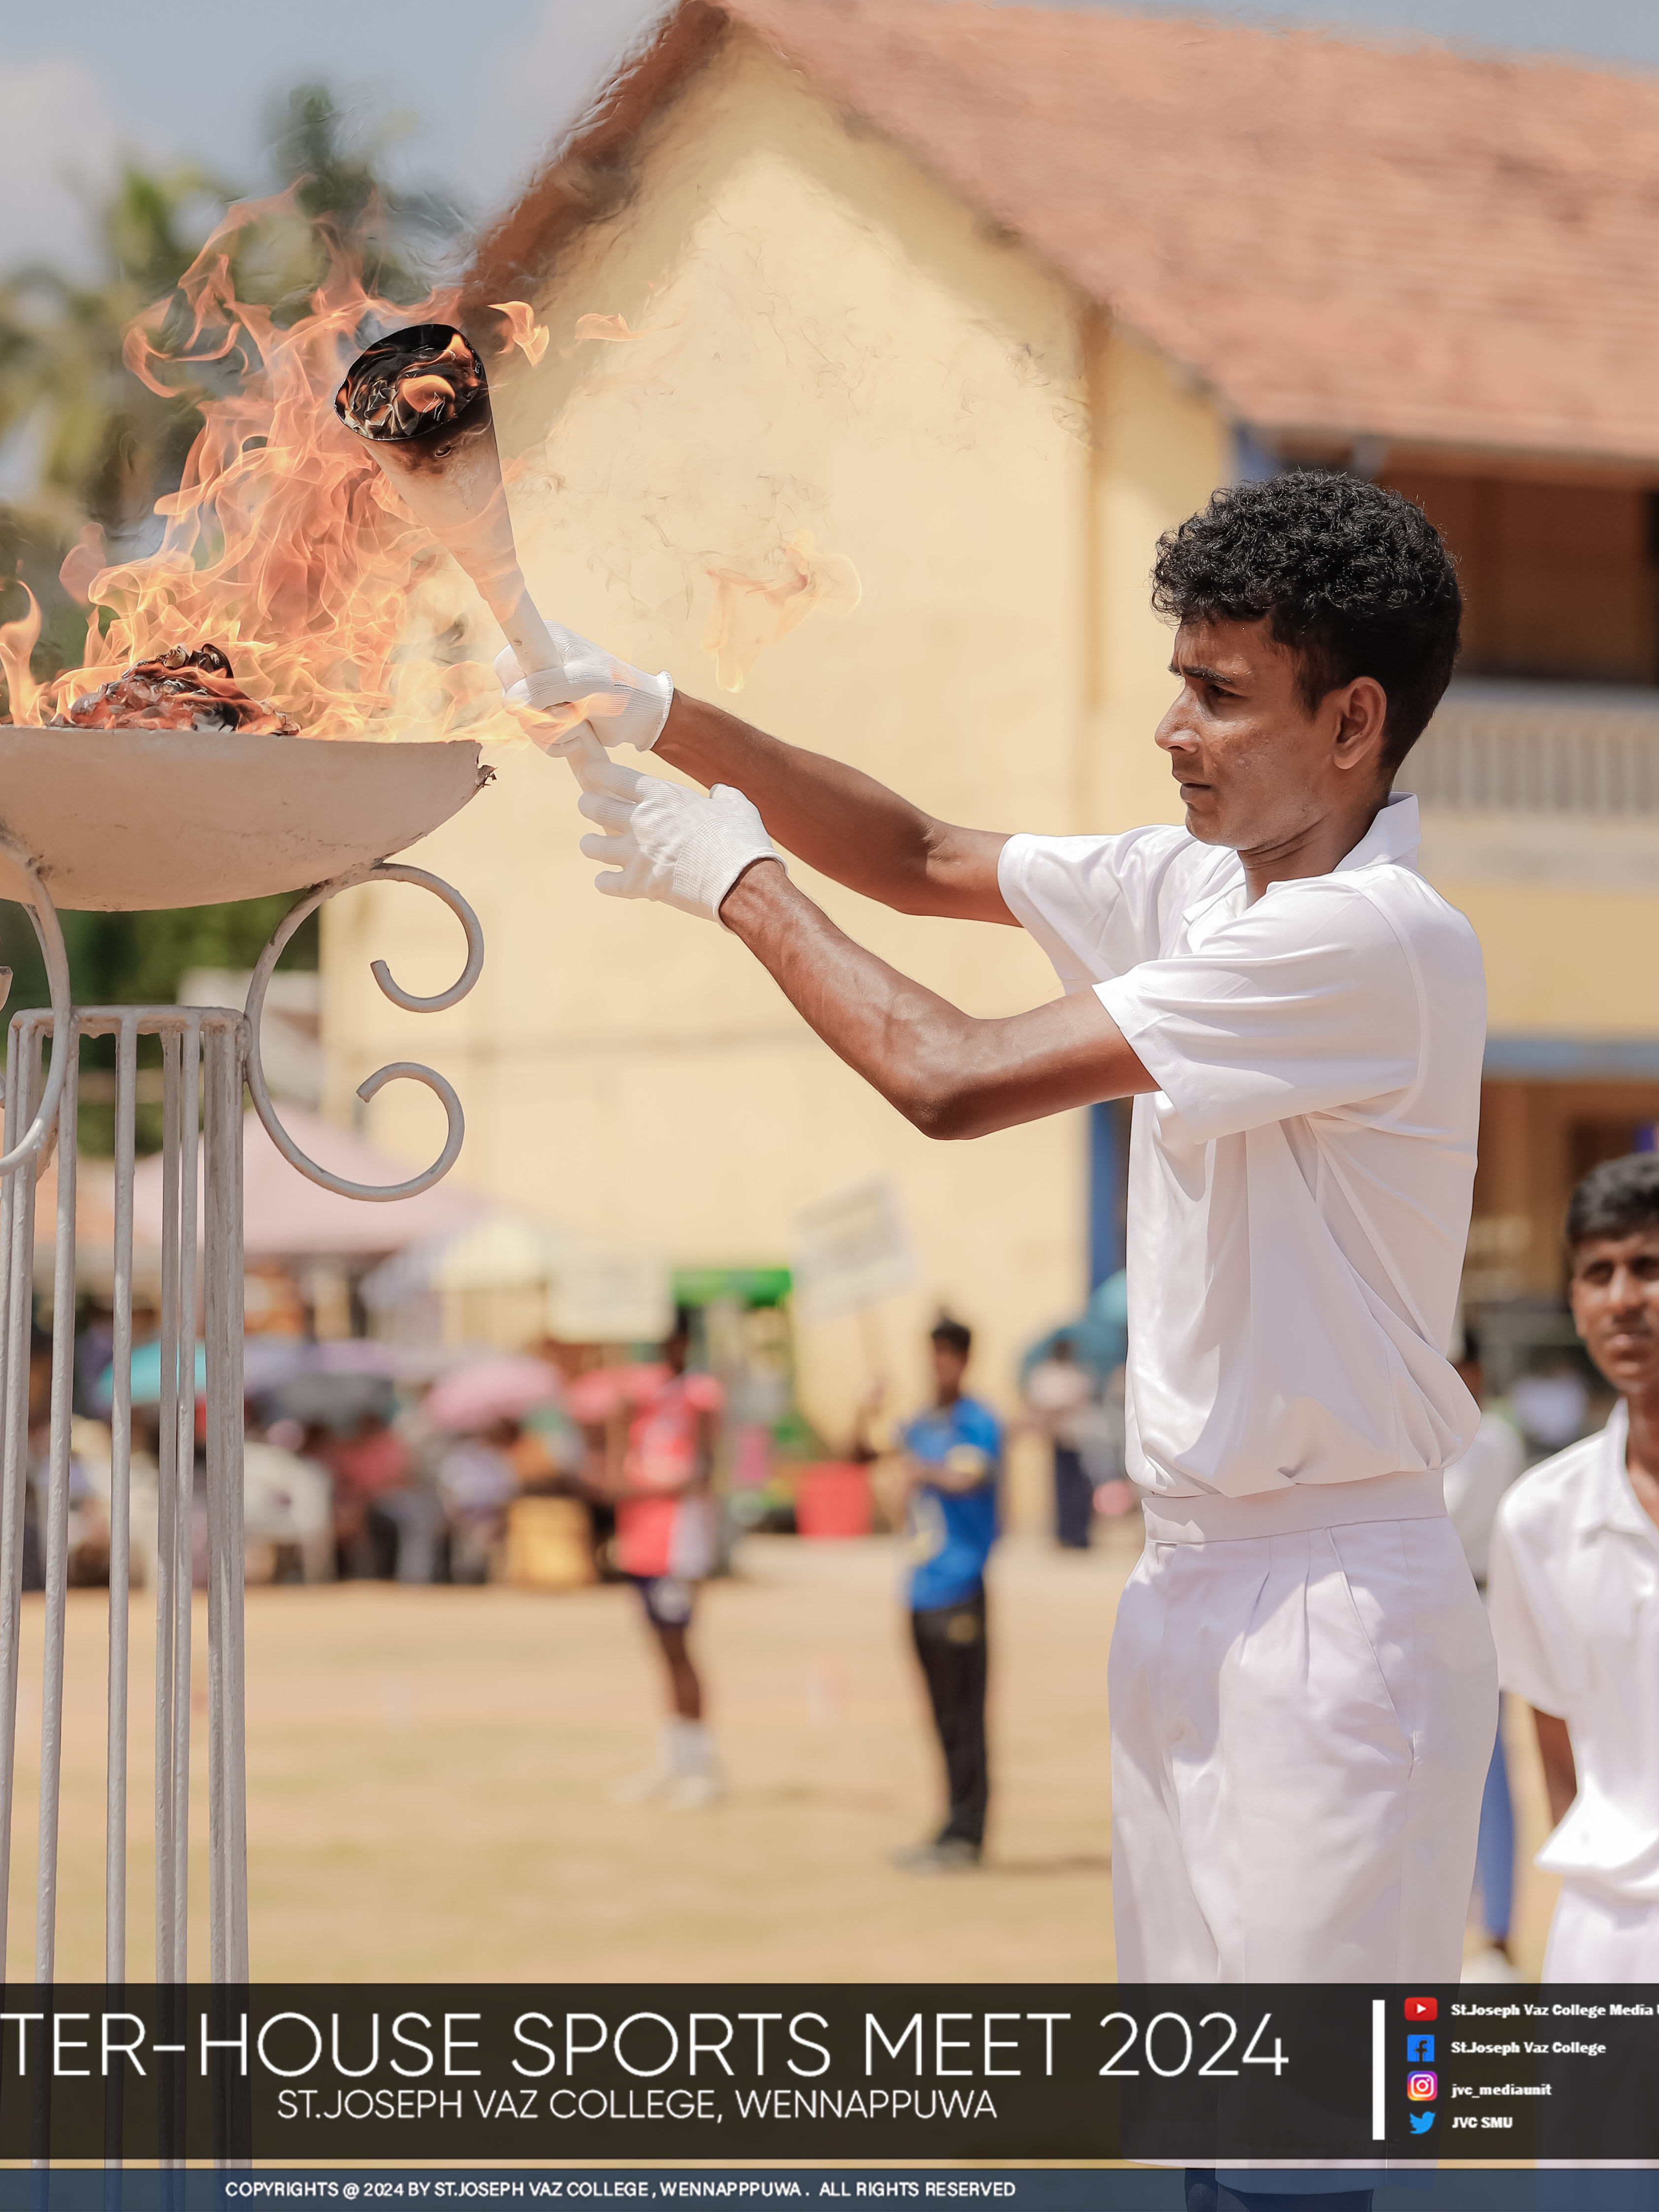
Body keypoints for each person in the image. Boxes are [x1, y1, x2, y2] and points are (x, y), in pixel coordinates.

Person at [505, 469, 1495, 1981]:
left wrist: (733, 881)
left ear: (1350, 723)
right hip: (1182, 1578)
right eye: (1178, 682)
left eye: (1218, 696)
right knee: (1197, 2120)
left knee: (1304, 2151)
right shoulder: (1194, 884)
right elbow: (914, 854)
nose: (1171, 729)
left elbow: (948, 1075)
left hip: (1331, 1601)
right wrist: (654, 710)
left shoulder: (1369, 938)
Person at [1488, 1151, 1659, 1981]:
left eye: (1653, 1268)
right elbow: (1556, 1750)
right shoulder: (1538, 1518)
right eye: (1598, 1272)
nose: (1622, 1299)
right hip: (1600, 1948)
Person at [872, 1317, 1004, 1871]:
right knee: (940, 1717)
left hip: (961, 1585)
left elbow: (968, 1476)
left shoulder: (977, 1422)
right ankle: (950, 1822)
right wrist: (868, 1406)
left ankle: (969, 1831)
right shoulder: (920, 1425)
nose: (939, 1365)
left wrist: (919, 1469)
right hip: (921, 1587)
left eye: (948, 1355)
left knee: (965, 1716)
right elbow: (860, 1449)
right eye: (933, 1355)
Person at [602, 1308, 723, 1809]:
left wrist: (654, 1482)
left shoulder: (698, 1396)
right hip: (643, 1539)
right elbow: (616, 1470)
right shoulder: (638, 1395)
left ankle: (700, 1761)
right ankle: (674, 1756)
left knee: (681, 1648)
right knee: (661, 1650)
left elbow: (700, 1468)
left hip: (680, 1541)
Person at [1443, 1327, 1527, 1973]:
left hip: (1472, 1604)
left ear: (1471, 1369)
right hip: (1425, 1609)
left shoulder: (1487, 1437)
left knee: (1487, 1772)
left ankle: (1497, 1929)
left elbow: (1446, 1515)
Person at [1024, 1335, 1097, 1549]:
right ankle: (1066, 1534)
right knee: (1062, 1488)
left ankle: (1080, 1534)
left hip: (1078, 1439)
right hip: (1059, 1438)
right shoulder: (1049, 1375)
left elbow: (1076, 1403)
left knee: (1081, 1489)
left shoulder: (1077, 1374)